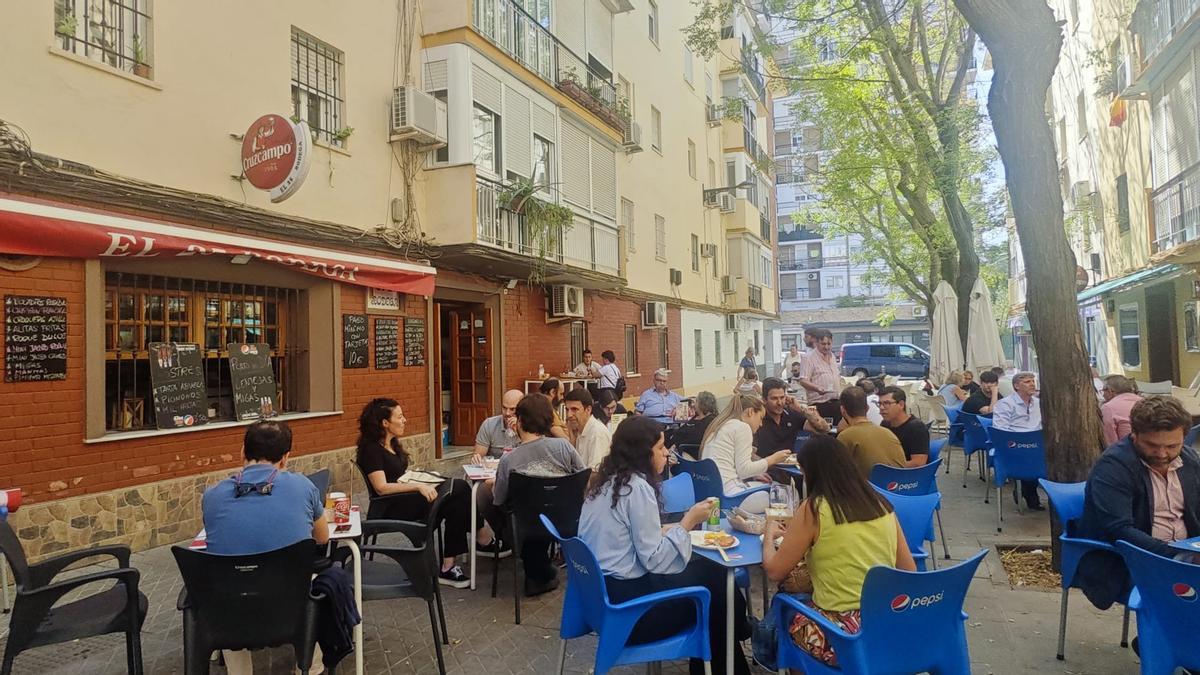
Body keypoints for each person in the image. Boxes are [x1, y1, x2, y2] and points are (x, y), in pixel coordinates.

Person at [579, 416, 752, 674]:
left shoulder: (606, 483)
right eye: (660, 448)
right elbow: (656, 560)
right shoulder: (636, 489)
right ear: (643, 452)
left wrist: (667, 529)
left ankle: (732, 642)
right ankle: (740, 638)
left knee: (710, 578)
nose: (666, 454)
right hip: (633, 614)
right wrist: (688, 521)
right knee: (715, 587)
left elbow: (624, 536)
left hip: (600, 600)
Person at [762, 434, 916, 667]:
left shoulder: (814, 508)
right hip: (885, 625)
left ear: (811, 472)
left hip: (841, 634)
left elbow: (774, 571)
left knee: (787, 613)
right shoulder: (880, 503)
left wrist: (768, 533)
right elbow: (908, 569)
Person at [201, 420, 329, 674]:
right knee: (316, 583)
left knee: (228, 581)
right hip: (290, 604)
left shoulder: (212, 495)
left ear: (242, 452)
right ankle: (310, 669)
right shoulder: (303, 486)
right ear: (285, 458)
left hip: (228, 609)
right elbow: (322, 538)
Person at [1075, 396, 1200, 611]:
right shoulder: (1114, 466)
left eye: (1172, 446)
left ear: (1185, 436)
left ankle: (1166, 641)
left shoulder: (1189, 460)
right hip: (1129, 560)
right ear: (1134, 434)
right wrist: (1178, 556)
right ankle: (1158, 641)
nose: (1162, 454)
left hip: (1186, 555)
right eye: (1152, 445)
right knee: (1187, 592)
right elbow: (1119, 530)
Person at [356, 398, 474, 587]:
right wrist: (418, 486)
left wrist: (419, 478)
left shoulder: (392, 443)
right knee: (458, 490)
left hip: (406, 500)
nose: (405, 420)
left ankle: (449, 564)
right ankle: (478, 536)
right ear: (385, 423)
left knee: (456, 498)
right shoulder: (371, 450)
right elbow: (381, 487)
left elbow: (399, 477)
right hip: (391, 507)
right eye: (400, 416)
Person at [488, 393, 586, 596]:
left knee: (503, 507)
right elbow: (582, 476)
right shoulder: (563, 447)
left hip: (525, 527)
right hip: (564, 522)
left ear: (520, 421)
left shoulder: (509, 461)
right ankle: (541, 573)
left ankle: (533, 570)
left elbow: (498, 499)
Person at [700, 394, 791, 513]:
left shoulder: (722, 425)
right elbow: (744, 470)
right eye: (761, 418)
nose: (761, 424)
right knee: (783, 494)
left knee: (772, 486)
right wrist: (773, 459)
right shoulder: (742, 427)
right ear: (750, 412)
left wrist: (755, 473)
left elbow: (732, 466)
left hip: (712, 494)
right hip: (730, 499)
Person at [992, 372, 1045, 511]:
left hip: (1036, 446)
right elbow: (1000, 430)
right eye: (1027, 382)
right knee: (1028, 455)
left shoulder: (1039, 404)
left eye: (1033, 381)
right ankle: (1029, 493)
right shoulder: (1005, 404)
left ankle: (1027, 490)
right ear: (1016, 386)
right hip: (1014, 446)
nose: (1032, 384)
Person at [834, 387, 906, 478]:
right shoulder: (888, 432)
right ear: (867, 408)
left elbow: (837, 471)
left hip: (872, 489)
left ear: (842, 410)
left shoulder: (845, 436)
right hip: (898, 487)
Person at [756, 377, 830, 460]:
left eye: (782, 397)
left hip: (792, 467)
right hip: (768, 468)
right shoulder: (757, 419)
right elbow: (749, 454)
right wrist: (764, 465)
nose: (780, 403)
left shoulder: (791, 414)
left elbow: (824, 429)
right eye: (774, 398)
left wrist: (801, 409)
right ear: (764, 400)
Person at [797, 328, 843, 426]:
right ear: (816, 343)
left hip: (836, 403)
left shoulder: (832, 357)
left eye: (829, 344)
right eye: (823, 344)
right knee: (823, 433)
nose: (826, 347)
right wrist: (817, 388)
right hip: (819, 405)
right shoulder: (808, 358)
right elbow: (803, 380)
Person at [878, 386, 930, 467]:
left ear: (901, 405)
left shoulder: (917, 428)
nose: (881, 408)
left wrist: (889, 467)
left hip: (907, 475)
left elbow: (918, 463)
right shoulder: (885, 424)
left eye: (887, 403)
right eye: (879, 404)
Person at [564, 388, 611, 468]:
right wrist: (572, 437)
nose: (569, 415)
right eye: (567, 410)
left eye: (574, 409)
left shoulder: (597, 433)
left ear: (588, 410)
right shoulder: (580, 430)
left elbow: (594, 474)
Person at [472, 389, 523, 461]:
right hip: (495, 469)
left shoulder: (530, 426)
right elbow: (479, 455)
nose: (507, 413)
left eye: (512, 409)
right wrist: (476, 459)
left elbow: (532, 456)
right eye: (504, 408)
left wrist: (519, 432)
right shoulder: (489, 424)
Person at [1100, 374, 1142, 447]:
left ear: (1110, 391)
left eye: (1103, 390)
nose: (1103, 395)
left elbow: (1110, 442)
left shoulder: (1108, 408)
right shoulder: (1144, 401)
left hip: (1127, 451)